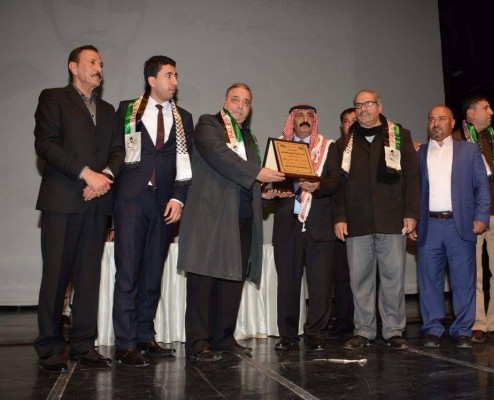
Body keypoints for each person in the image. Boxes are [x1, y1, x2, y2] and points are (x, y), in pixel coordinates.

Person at [178, 83, 285, 362]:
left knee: (232, 279)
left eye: (246, 102)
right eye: (235, 99)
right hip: (211, 216)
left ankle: (223, 338)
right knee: (204, 278)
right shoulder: (208, 125)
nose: (241, 106)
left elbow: (248, 179)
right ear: (224, 101)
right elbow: (219, 154)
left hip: (242, 216)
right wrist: (259, 173)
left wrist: (265, 192)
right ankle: (199, 341)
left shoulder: (249, 137)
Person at [34, 45, 124, 372]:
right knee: (56, 275)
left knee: (89, 277)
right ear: (73, 66)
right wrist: (87, 174)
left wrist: (105, 178)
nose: (99, 67)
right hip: (62, 202)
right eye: (92, 62)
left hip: (97, 203)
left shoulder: (109, 110)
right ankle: (50, 346)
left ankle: (84, 345)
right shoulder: (54, 98)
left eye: (101, 63)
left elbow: (118, 151)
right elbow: (45, 144)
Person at [112, 56, 193, 367]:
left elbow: (186, 162)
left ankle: (145, 336)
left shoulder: (184, 117)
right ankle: (125, 343)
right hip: (132, 199)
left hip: (164, 203)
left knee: (152, 273)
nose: (175, 82)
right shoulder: (127, 109)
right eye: (169, 75)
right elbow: (115, 151)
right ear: (152, 80)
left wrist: (179, 198)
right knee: (128, 272)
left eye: (176, 75)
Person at [333, 89, 420, 351]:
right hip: (357, 222)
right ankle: (364, 330)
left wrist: (411, 212)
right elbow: (338, 185)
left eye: (368, 103)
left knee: (393, 279)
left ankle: (393, 330)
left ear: (379, 106)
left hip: (392, 220)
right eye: (358, 105)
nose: (363, 109)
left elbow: (413, 178)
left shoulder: (400, 135)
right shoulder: (344, 144)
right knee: (360, 280)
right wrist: (339, 217)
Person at [414, 105, 490, 349]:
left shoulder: (469, 151)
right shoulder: (418, 153)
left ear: (452, 122)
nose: (436, 123)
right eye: (431, 119)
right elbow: (411, 190)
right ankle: (432, 329)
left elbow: (482, 186)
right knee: (429, 281)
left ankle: (463, 330)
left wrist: (482, 216)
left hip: (460, 225)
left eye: (441, 119)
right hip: (429, 225)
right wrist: (412, 219)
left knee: (464, 281)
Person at [270, 104, 341, 351]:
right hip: (287, 225)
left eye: (309, 116)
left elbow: (336, 181)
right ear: (291, 120)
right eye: (299, 115)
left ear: (315, 120)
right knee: (287, 284)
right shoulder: (279, 147)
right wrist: (270, 192)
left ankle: (316, 333)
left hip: (319, 226)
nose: (304, 119)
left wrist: (318, 186)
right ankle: (287, 335)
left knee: (321, 285)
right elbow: (267, 182)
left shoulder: (328, 147)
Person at [455, 96, 494, 343]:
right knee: (474, 273)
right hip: (472, 215)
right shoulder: (456, 140)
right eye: (485, 108)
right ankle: (477, 322)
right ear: (470, 114)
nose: (491, 111)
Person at [328, 108, 356, 339]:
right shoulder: (334, 148)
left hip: (366, 220)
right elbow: (334, 187)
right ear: (342, 126)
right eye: (346, 122)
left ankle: (371, 321)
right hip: (341, 220)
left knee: (369, 275)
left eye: (354, 121)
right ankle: (344, 321)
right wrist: (339, 217)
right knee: (341, 275)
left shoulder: (374, 146)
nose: (351, 125)